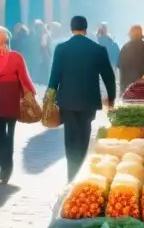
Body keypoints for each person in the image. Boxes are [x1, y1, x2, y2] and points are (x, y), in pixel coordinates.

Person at [48, 15, 116, 181]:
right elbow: (109, 76)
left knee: (70, 138)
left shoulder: (61, 48)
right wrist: (111, 98)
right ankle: (81, 172)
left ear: (71, 28)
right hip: (88, 102)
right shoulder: (98, 49)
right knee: (84, 135)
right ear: (86, 29)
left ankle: (72, 174)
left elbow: (54, 76)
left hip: (67, 101)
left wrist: (49, 99)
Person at [0, 26, 34, 184]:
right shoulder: (16, 56)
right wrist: (29, 94)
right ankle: (7, 167)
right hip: (11, 100)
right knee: (9, 135)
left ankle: (4, 167)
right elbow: (24, 78)